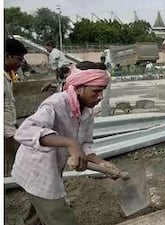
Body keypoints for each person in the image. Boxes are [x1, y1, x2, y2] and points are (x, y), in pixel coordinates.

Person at [11, 61, 123, 225]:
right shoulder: (56, 104)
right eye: (96, 91)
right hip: (37, 170)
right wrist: (70, 143)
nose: (100, 96)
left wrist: (101, 163)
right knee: (61, 217)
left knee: (38, 214)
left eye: (102, 91)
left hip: (53, 168)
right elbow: (24, 131)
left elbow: (85, 144)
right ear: (79, 88)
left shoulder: (87, 111)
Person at [4, 38, 28, 176]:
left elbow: (7, 106)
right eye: (18, 59)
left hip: (8, 129)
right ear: (7, 55)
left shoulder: (7, 76)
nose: (20, 63)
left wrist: (14, 124)